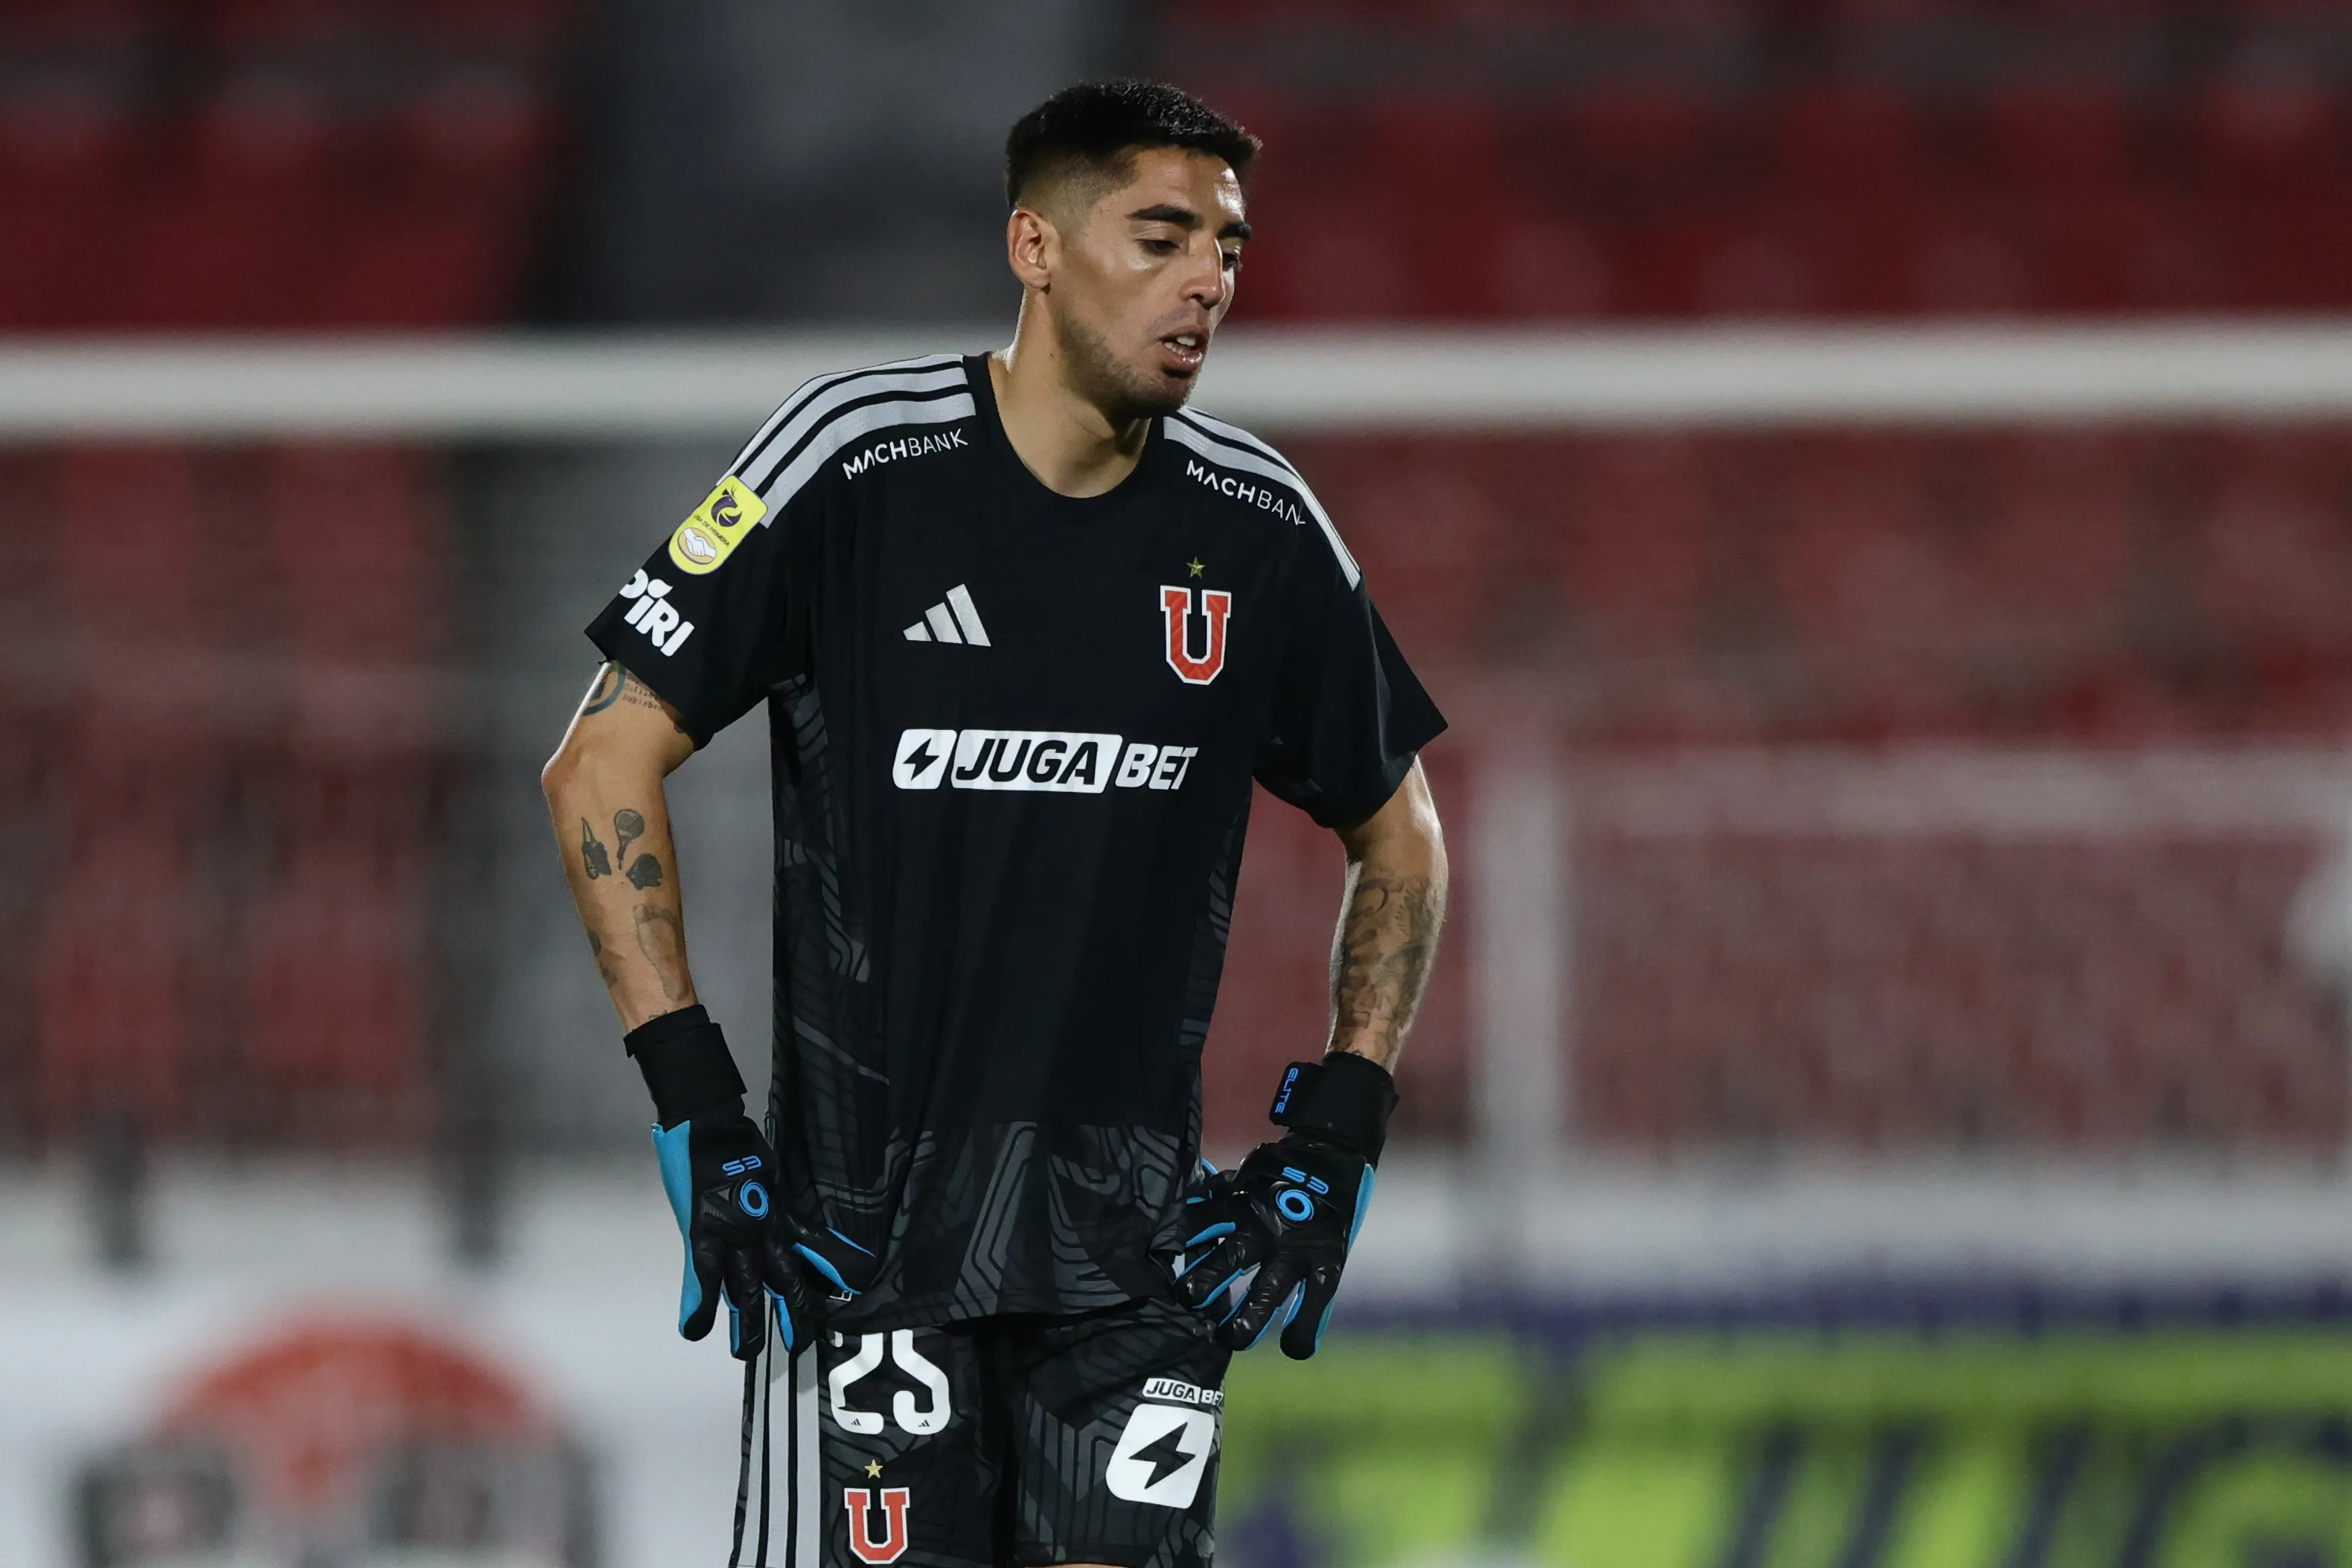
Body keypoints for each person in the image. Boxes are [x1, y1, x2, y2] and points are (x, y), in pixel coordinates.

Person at [541, 79, 1448, 1568]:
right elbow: (597, 764)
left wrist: (1336, 1133)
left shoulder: (1257, 523)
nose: (1207, 281)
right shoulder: (852, 462)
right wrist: (698, 1107)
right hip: (865, 1249)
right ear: (1033, 245)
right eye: (1160, 237)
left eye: (1226, 244)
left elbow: (1398, 833)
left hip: (1137, 1259)